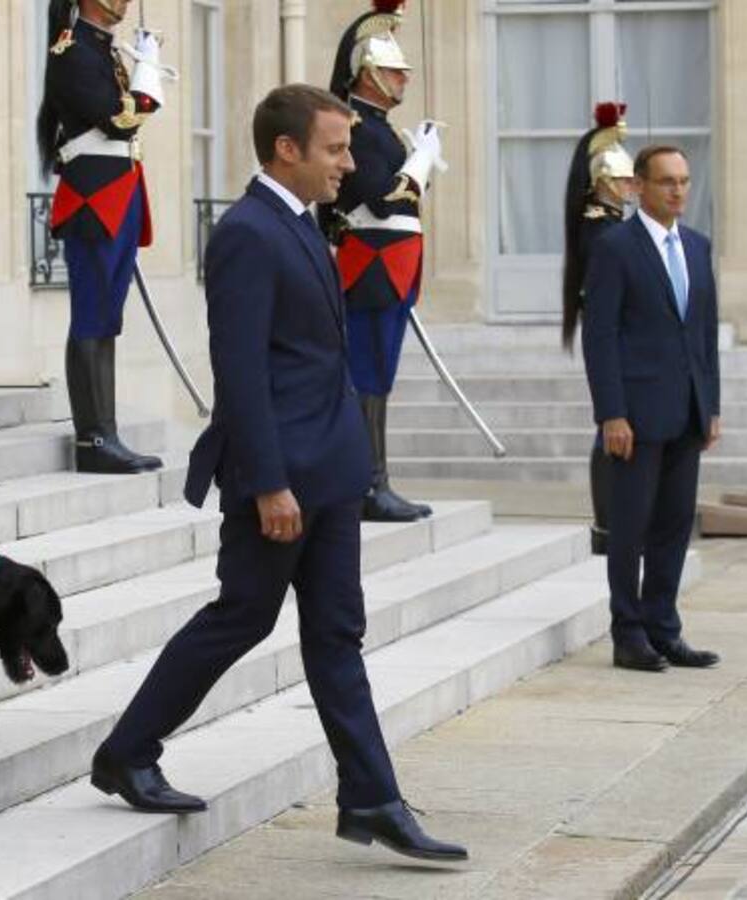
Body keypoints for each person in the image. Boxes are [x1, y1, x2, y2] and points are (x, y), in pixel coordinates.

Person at [90, 84, 467, 863]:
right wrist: (266, 482)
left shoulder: (301, 224)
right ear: (286, 150)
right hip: (281, 483)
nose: (350, 165)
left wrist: (348, 471)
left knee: (334, 635)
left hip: (327, 477)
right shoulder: (247, 235)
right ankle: (126, 751)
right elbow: (241, 372)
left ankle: (372, 799)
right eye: (335, 149)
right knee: (242, 617)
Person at [582, 145, 721, 673]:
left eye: (684, 180)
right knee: (631, 525)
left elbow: (704, 333)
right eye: (666, 181)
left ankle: (665, 629)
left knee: (673, 525)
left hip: (687, 411)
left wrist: (711, 406)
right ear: (639, 186)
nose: (678, 191)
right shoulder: (616, 247)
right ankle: (628, 633)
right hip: (634, 417)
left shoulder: (698, 246)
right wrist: (611, 413)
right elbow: (600, 336)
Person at [319, 0, 444, 523]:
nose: (403, 80)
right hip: (371, 263)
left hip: (391, 264)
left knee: (379, 377)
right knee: (368, 376)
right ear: (367, 73)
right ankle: (369, 484)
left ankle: (376, 480)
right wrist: (420, 162)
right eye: (394, 71)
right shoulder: (359, 129)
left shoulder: (383, 130)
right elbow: (381, 197)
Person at [37, 0, 170, 474]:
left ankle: (106, 430)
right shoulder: (72, 51)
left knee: (107, 319)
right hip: (95, 196)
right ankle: (93, 439)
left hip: (118, 189)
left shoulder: (103, 52)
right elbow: (117, 118)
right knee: (92, 316)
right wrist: (148, 74)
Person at [561, 102, 636, 555]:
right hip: (615, 332)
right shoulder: (601, 230)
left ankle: (617, 519)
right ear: (604, 182)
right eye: (624, 180)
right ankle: (607, 524)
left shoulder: (609, 224)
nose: (630, 187)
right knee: (610, 426)